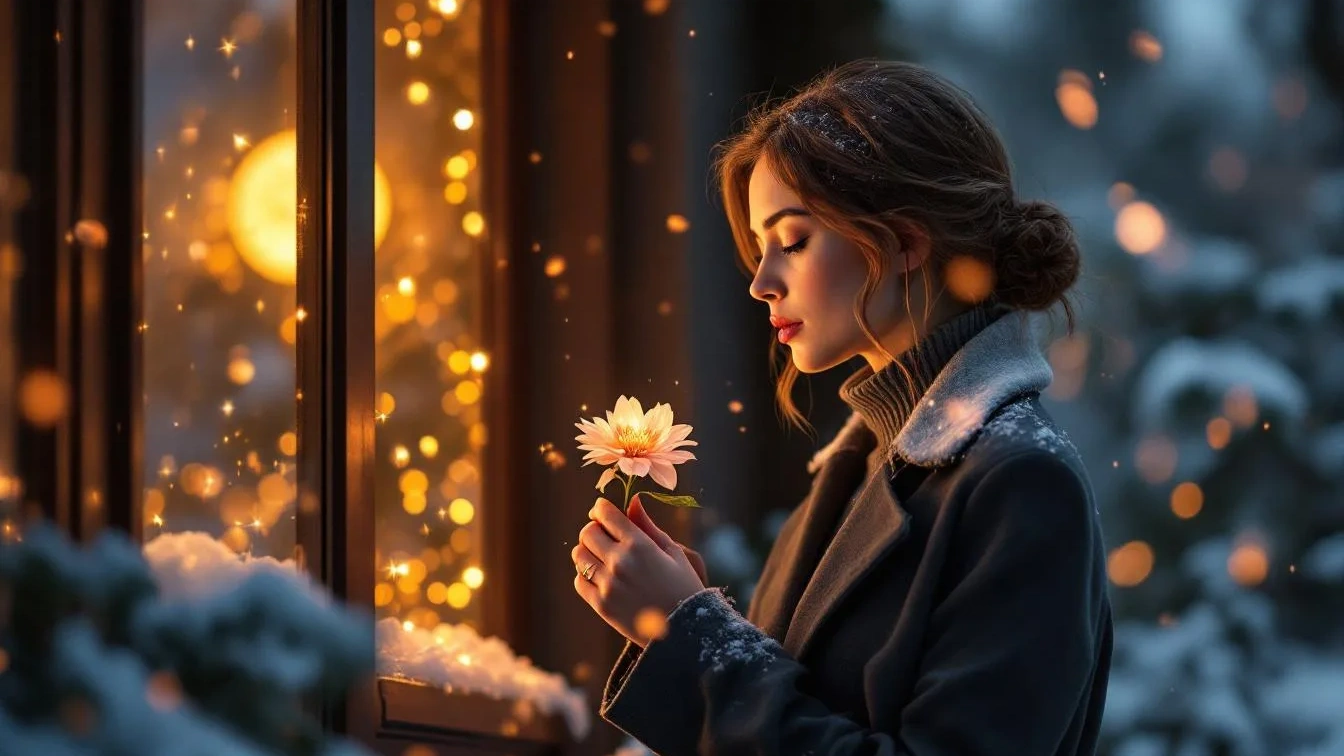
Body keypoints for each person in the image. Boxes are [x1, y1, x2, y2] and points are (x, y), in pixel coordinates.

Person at [569, 59, 1112, 756]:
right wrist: (699, 627)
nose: (762, 282)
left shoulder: (1023, 485)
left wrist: (689, 635)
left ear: (906, 242)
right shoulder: (857, 471)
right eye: (762, 249)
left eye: (792, 241)